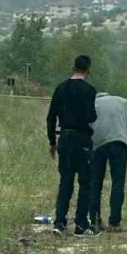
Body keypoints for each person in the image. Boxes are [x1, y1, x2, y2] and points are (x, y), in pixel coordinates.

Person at [45, 55, 98, 235]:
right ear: (88, 69)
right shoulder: (90, 90)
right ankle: (81, 225)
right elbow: (92, 117)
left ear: (73, 67)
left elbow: (51, 117)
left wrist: (52, 142)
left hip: (65, 138)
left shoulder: (61, 88)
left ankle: (59, 223)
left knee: (65, 181)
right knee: (85, 182)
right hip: (82, 139)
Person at [89, 90, 127, 232]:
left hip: (97, 144)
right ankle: (114, 222)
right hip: (119, 142)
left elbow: (86, 123)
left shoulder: (92, 103)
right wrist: (123, 130)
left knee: (95, 182)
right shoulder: (122, 101)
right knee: (118, 182)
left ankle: (94, 220)